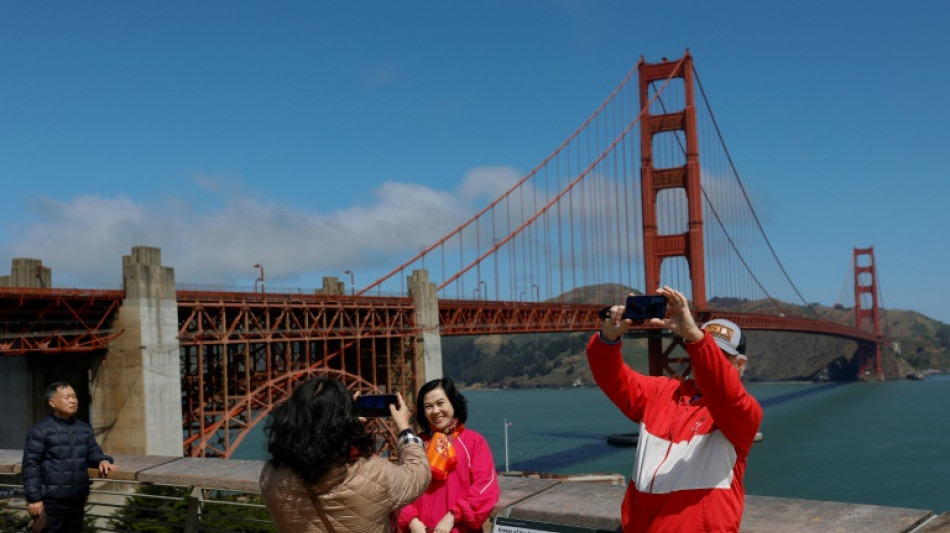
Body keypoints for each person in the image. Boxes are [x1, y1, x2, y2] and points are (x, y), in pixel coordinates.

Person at [587, 287, 763, 533]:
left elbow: (724, 391)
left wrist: (696, 338)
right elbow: (611, 377)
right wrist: (608, 339)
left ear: (740, 364)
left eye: (721, 355)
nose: (707, 360)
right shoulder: (661, 393)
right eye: (706, 350)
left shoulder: (743, 413)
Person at [259, 377, 430, 533]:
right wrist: (404, 428)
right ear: (343, 422)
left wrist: (348, 433)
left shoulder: (271, 477)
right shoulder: (374, 474)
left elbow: (318, 451)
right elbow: (419, 474)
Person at [398, 377, 500, 533]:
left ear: (453, 403)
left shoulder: (474, 442)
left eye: (440, 403)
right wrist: (412, 521)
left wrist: (453, 515)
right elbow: (400, 487)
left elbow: (486, 487)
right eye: (428, 406)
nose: (436, 411)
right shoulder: (417, 444)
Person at [22, 381, 118, 533]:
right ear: (52, 402)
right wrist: (34, 499)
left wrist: (103, 460)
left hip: (77, 500)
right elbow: (31, 465)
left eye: (74, 396)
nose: (73, 400)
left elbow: (93, 452)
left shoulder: (84, 428)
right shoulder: (40, 430)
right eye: (67, 397)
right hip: (51, 502)